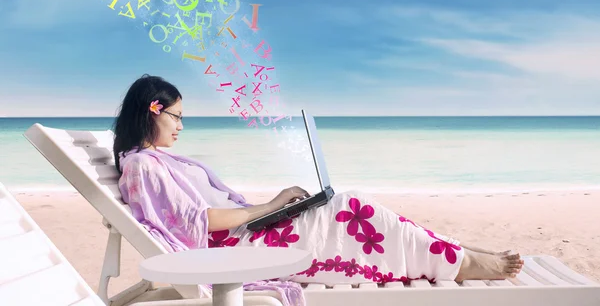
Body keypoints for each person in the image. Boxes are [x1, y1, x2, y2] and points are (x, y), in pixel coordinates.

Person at [114, 74, 524, 291]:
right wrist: (271, 207)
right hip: (238, 248)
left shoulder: (154, 161)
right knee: (349, 208)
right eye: (176, 116)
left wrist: (274, 210)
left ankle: (453, 253)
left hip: (249, 233)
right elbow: (195, 222)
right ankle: (458, 260)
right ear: (152, 111)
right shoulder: (142, 166)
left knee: (345, 207)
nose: (181, 125)